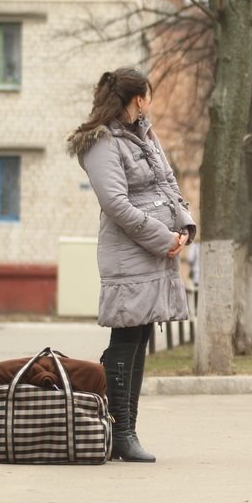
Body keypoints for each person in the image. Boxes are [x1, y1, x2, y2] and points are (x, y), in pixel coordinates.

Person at [67, 67, 195, 463]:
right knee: (126, 340)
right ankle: (120, 431)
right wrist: (163, 237)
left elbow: (168, 183)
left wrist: (185, 225)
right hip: (129, 254)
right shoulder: (102, 143)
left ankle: (124, 430)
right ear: (137, 98)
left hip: (154, 253)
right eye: (148, 95)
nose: (150, 102)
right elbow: (116, 204)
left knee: (139, 339)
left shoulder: (145, 135)